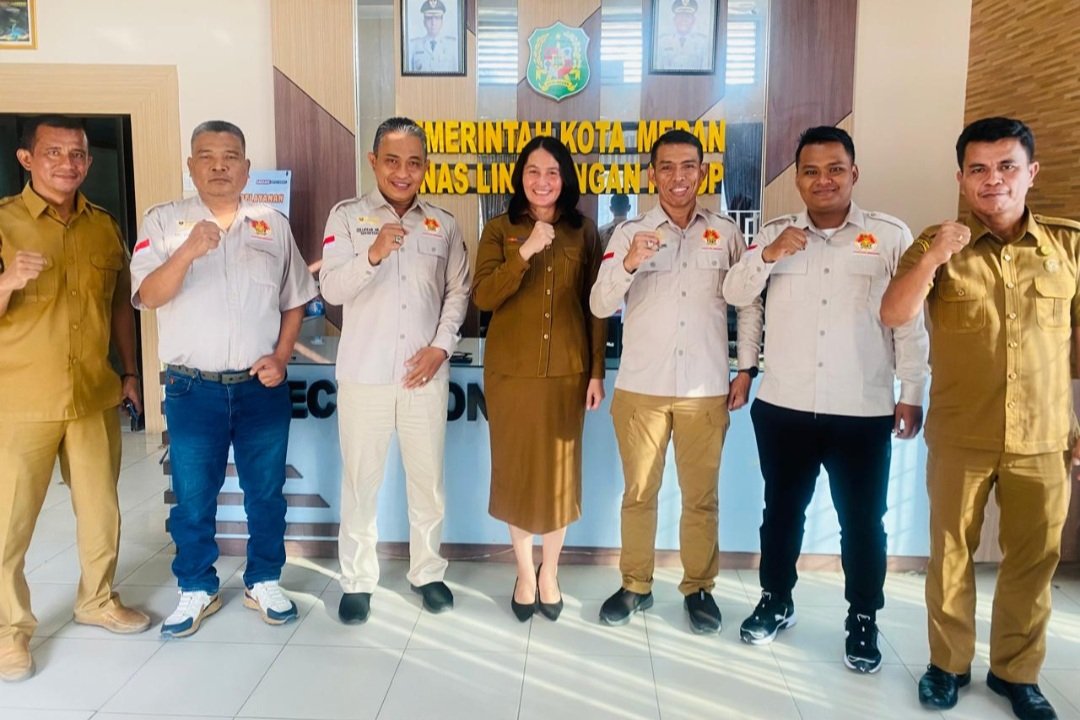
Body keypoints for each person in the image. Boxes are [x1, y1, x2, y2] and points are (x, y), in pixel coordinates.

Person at [881, 117, 1078, 720]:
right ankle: (947, 665)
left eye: (1007, 166)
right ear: (962, 179)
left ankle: (1017, 673)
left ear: (1031, 173)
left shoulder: (1067, 245)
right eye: (979, 170)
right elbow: (894, 313)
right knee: (950, 555)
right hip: (962, 434)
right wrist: (936, 257)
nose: (994, 180)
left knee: (1033, 561)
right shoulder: (937, 243)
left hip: (1043, 435)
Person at [722, 126, 930, 673]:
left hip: (862, 408)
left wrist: (912, 390)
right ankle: (776, 599)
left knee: (862, 522)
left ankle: (862, 617)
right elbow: (736, 293)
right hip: (785, 404)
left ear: (853, 173)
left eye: (835, 169)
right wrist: (768, 255)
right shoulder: (775, 233)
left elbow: (908, 320)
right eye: (811, 171)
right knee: (781, 513)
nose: (824, 180)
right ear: (797, 179)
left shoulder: (889, 236)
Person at [131, 120, 317, 638]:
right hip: (192, 388)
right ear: (191, 166)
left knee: (266, 492)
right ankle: (196, 585)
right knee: (193, 497)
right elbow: (148, 296)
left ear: (246, 168)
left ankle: (264, 579)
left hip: (261, 387)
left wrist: (282, 355)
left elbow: (296, 298)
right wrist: (187, 250)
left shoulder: (271, 224)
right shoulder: (164, 221)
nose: (219, 166)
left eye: (230, 156)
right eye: (207, 156)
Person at [590, 129, 763, 633]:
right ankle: (635, 584)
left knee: (701, 497)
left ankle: (699, 588)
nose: (678, 176)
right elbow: (599, 304)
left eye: (688, 166)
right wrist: (629, 262)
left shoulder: (725, 233)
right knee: (639, 493)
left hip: (704, 389)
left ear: (703, 172)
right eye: (666, 167)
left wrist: (745, 367)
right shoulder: (628, 233)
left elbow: (747, 303)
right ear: (652, 175)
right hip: (641, 387)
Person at [0, 115, 149, 682]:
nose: (68, 164)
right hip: (21, 400)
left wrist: (130, 371)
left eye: (78, 154)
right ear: (27, 159)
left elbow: (119, 307)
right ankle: (9, 631)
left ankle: (97, 600)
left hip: (92, 393)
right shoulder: (4, 224)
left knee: (101, 510)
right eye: (54, 152)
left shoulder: (104, 226)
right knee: (10, 522)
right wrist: (6, 281)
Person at [321, 117, 470, 624]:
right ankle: (358, 579)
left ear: (426, 167)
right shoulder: (346, 218)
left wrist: (441, 348)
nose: (403, 173)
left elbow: (458, 292)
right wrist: (373, 254)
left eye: (413, 163)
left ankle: (427, 572)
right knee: (360, 484)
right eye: (392, 161)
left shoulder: (443, 224)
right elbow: (331, 289)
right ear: (373, 162)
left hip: (424, 376)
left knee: (428, 483)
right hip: (364, 376)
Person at [473, 136, 607, 623]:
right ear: (520, 177)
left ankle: (550, 571)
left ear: (565, 178)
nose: (543, 181)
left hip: (567, 374)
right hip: (511, 375)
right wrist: (525, 251)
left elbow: (596, 308)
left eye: (552, 172)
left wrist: (596, 371)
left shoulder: (584, 232)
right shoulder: (499, 230)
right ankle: (524, 573)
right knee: (516, 473)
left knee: (559, 476)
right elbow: (483, 296)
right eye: (533, 171)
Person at [655, 0, 711, 72]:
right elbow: (657, 69)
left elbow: (706, 72)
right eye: (680, 16)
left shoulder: (703, 43)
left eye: (687, 17)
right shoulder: (662, 42)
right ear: (674, 20)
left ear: (693, 21)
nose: (683, 20)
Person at [407, 0, 459, 73]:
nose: (433, 23)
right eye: (429, 18)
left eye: (437, 18)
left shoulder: (453, 46)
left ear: (442, 22)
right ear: (424, 22)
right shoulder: (414, 46)